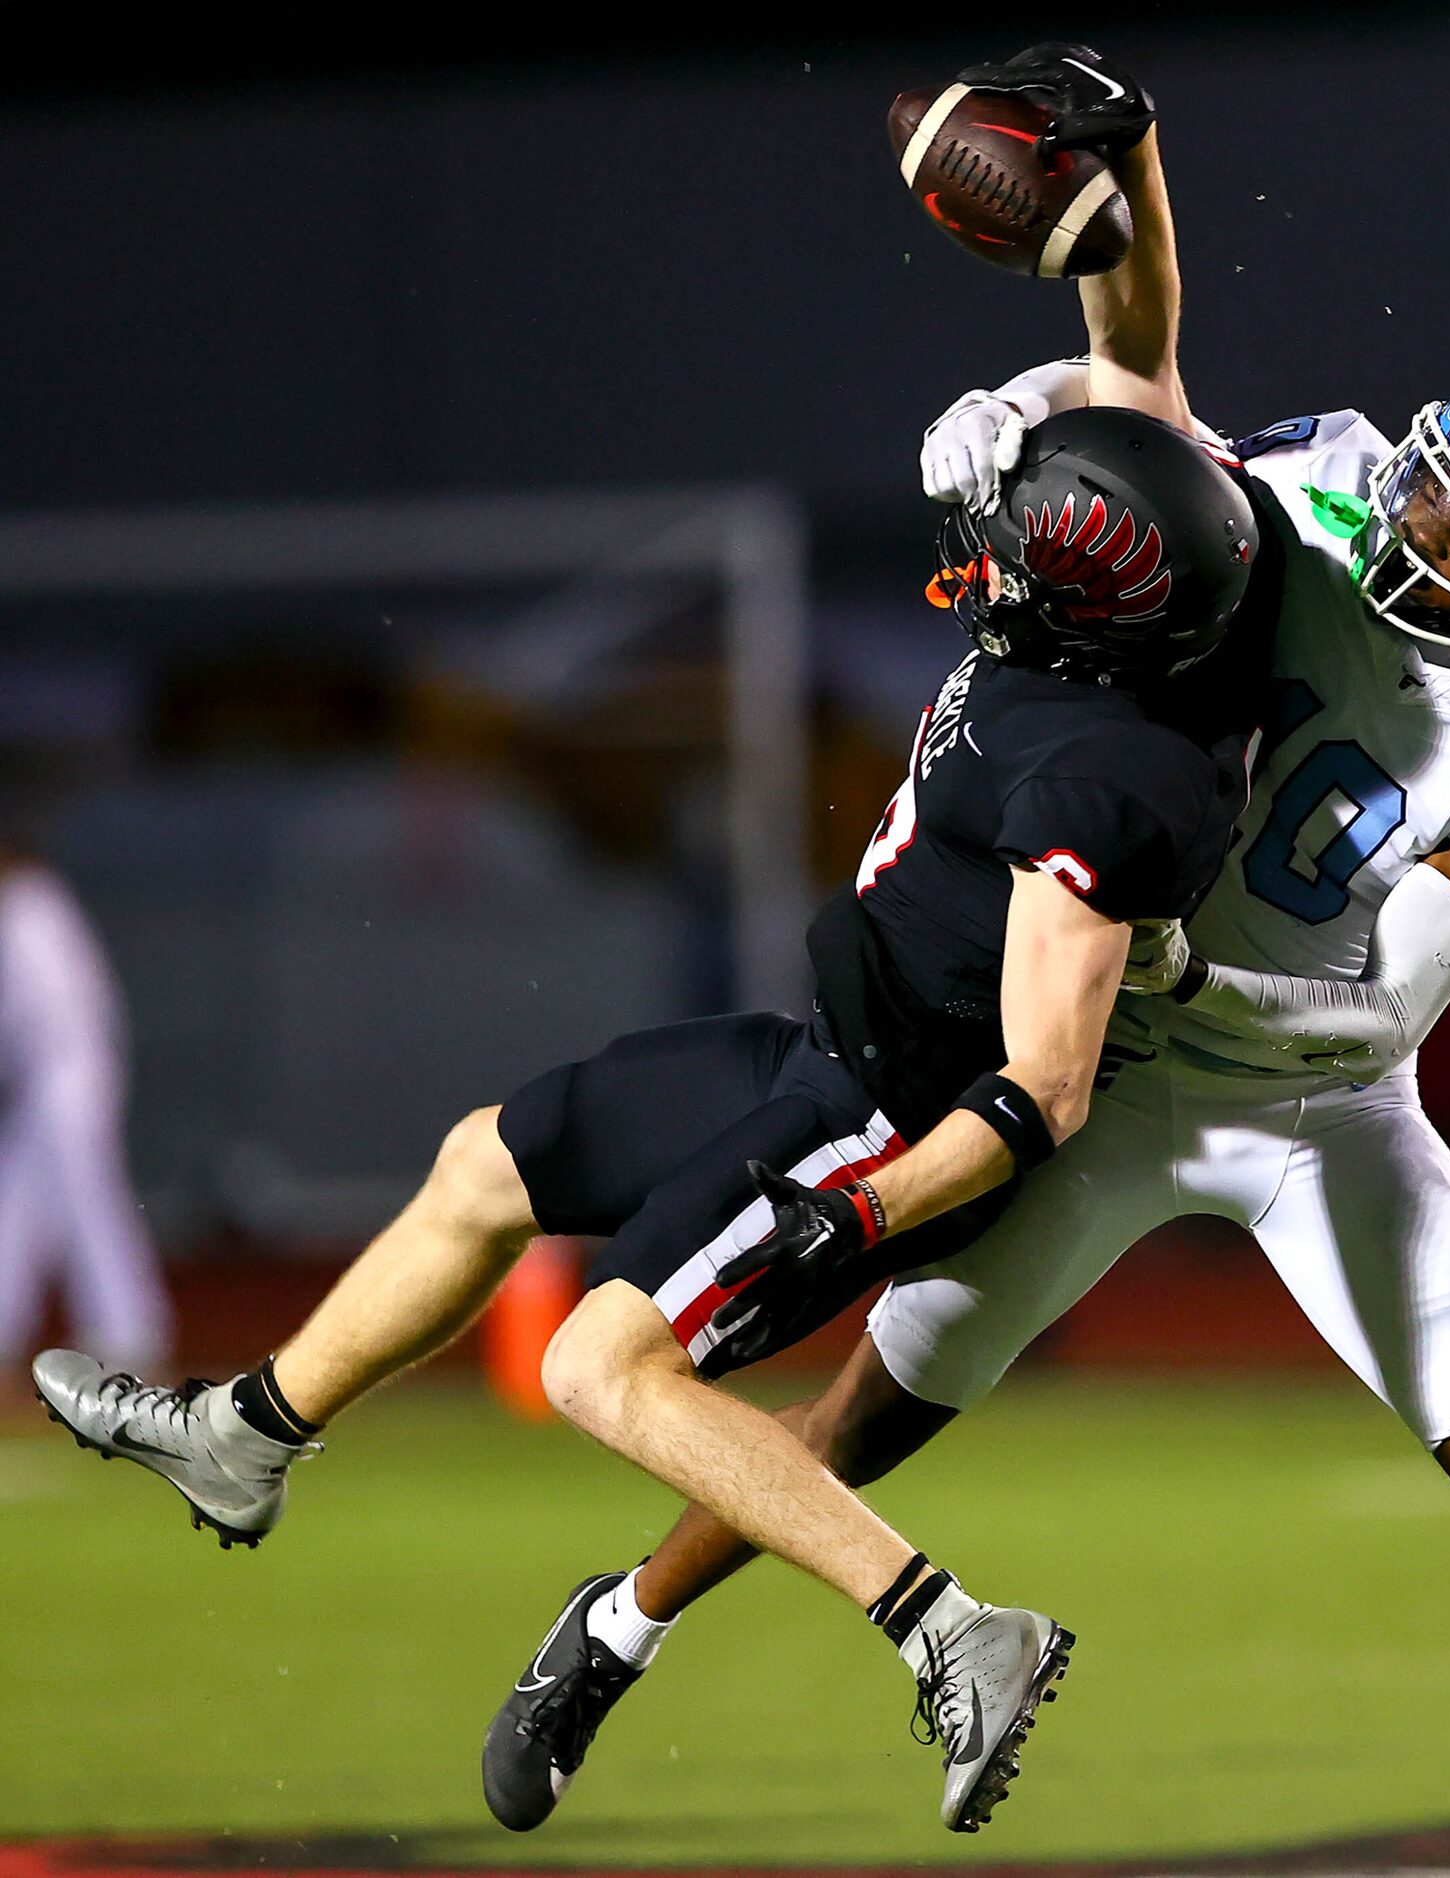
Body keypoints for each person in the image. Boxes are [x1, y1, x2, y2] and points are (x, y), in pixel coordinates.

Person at [492, 43, 1450, 1878]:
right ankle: (614, 1626)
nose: (1418, 527)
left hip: (1317, 1098)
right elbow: (1140, 382)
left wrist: (1166, 970)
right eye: (1436, 489)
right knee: (865, 1408)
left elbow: (1388, 999)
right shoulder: (1325, 479)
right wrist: (1056, 354)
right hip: (1100, 1067)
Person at [32, 402, 1263, 1837]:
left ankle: (951, 1632)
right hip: (823, 1049)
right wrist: (1058, 344)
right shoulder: (1178, 597)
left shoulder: (1101, 784)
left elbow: (1042, 1087)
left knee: (593, 1362)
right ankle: (250, 1431)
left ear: (1086, 610)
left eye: (1016, 554)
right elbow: (1154, 382)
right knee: (488, 1159)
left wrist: (862, 1208)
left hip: (884, 1120)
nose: (983, 560)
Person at [0, 840, 171, 1380]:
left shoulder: (29, 907)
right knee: (20, 1201)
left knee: (88, 1203)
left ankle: (130, 1335)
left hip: (68, 1075)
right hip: (57, 1075)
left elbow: (44, 1014)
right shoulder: (33, 904)